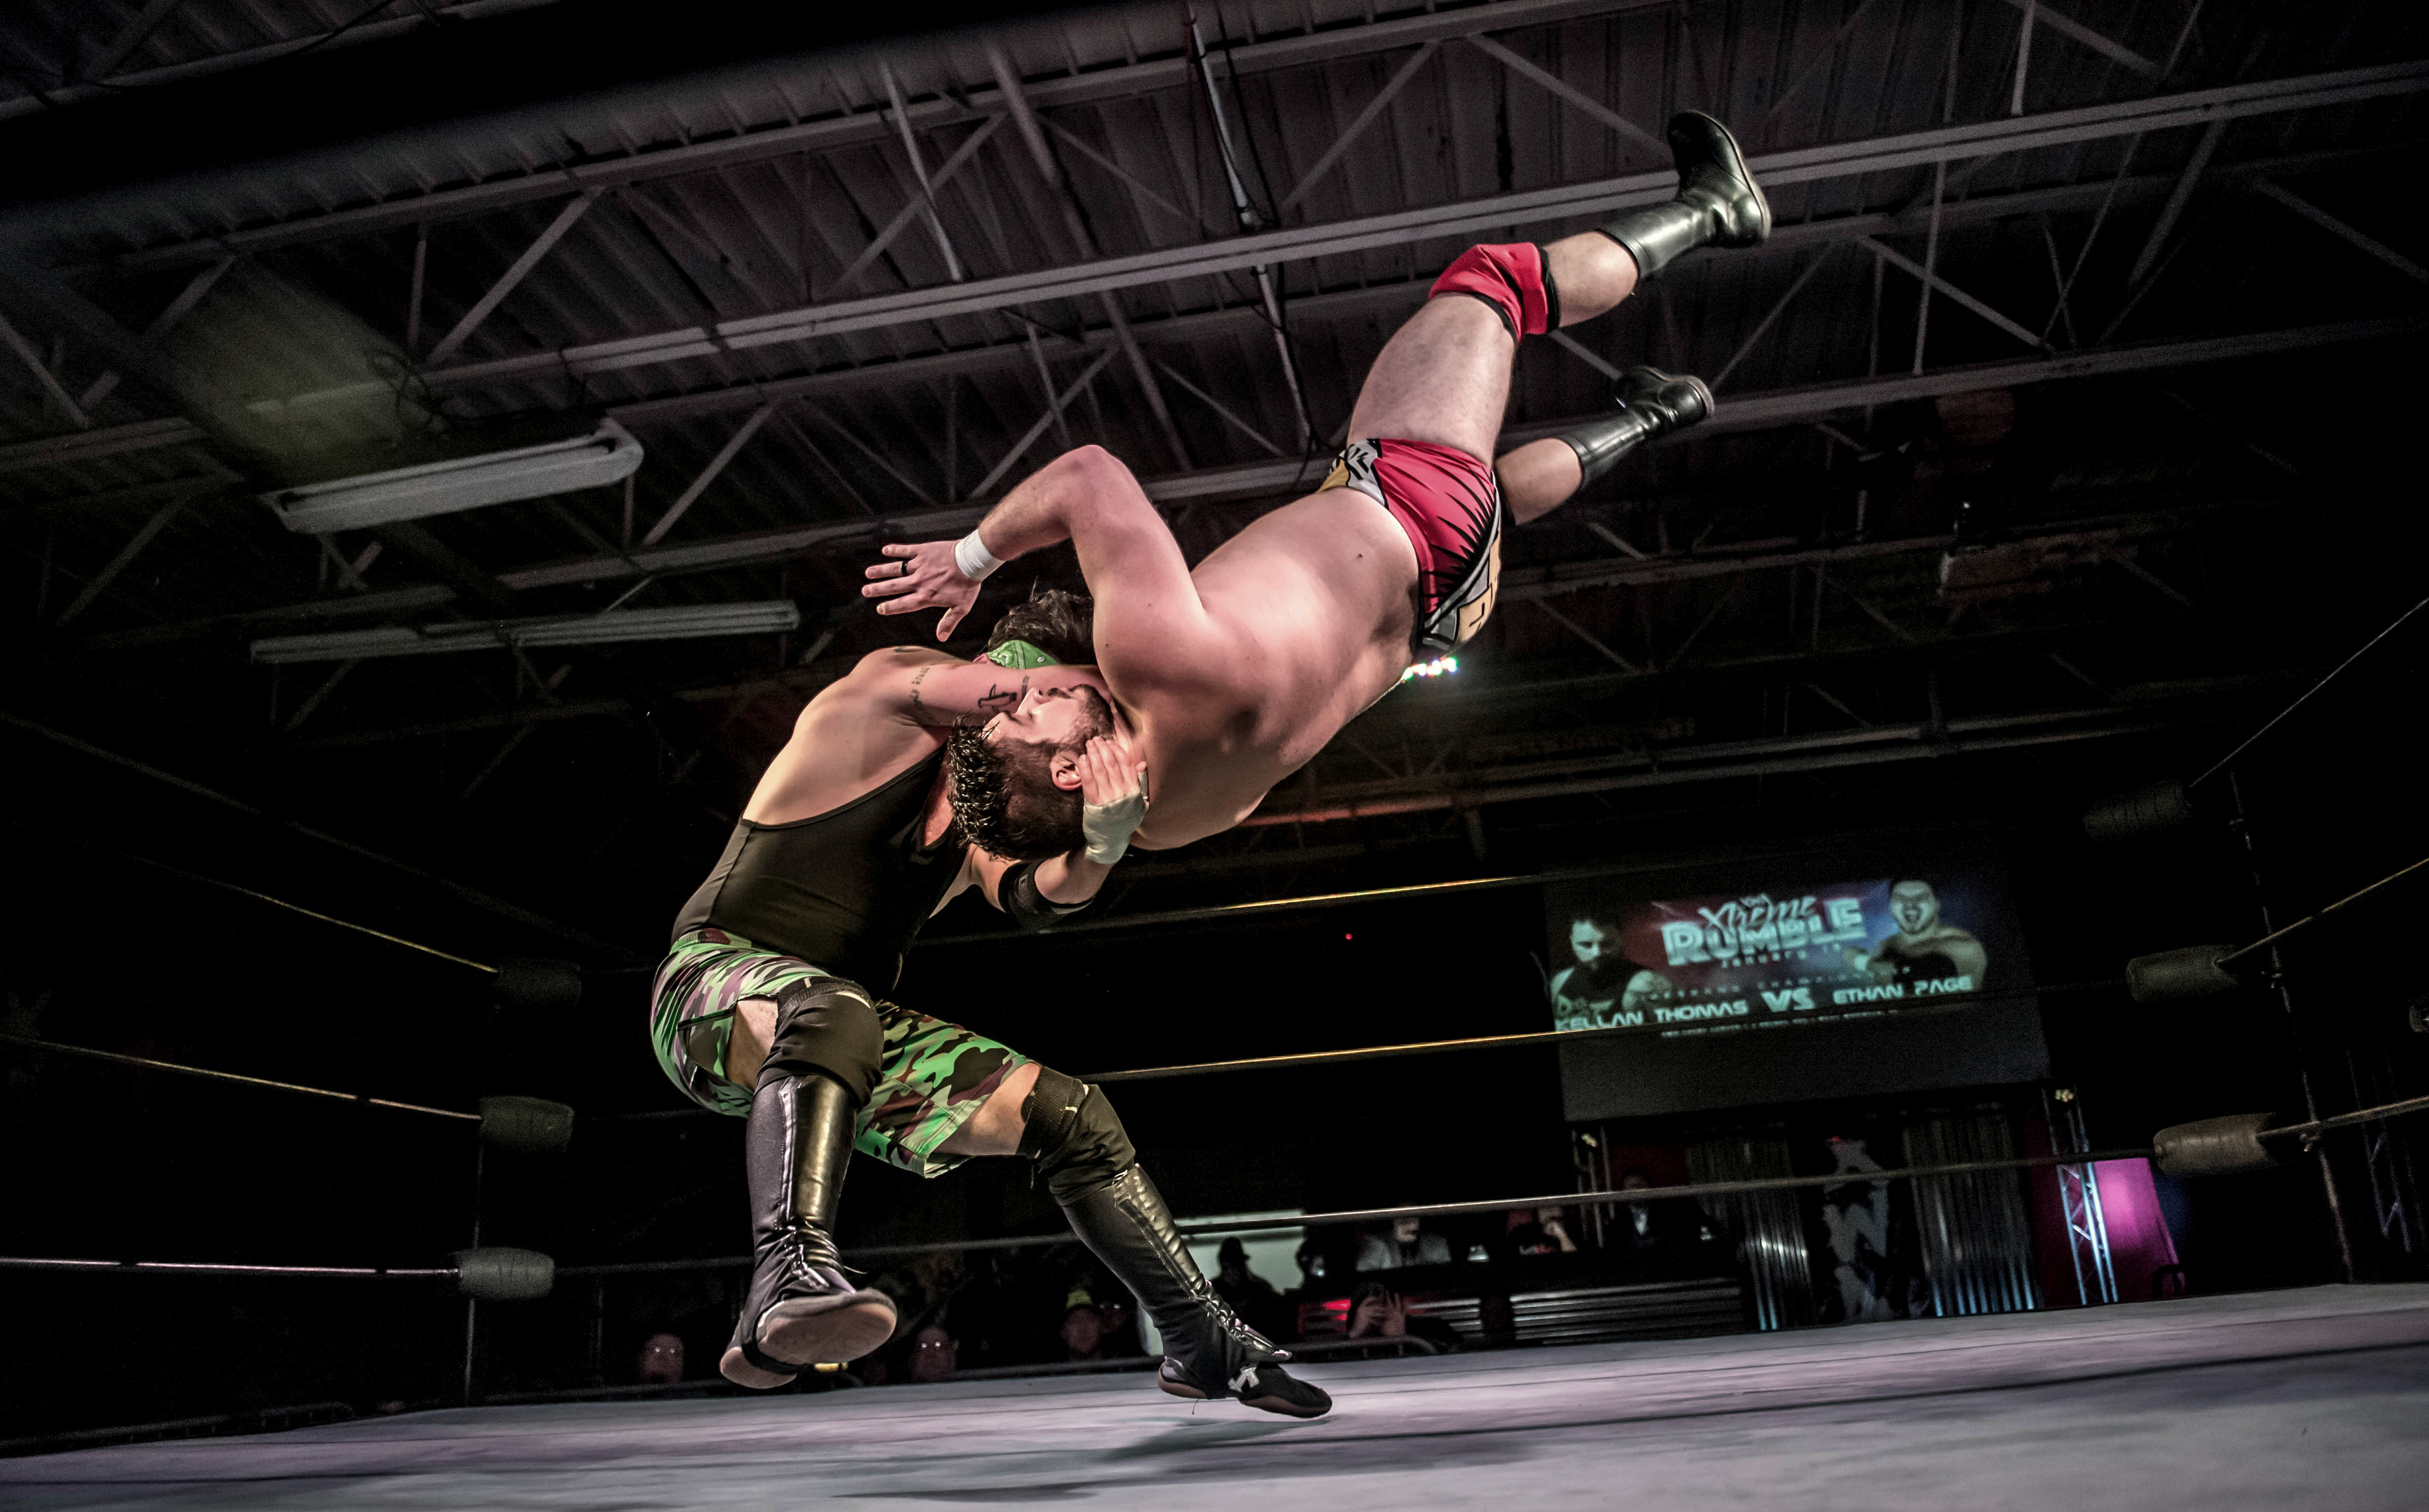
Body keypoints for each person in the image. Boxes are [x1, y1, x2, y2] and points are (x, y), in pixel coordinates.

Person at [864, 114, 1766, 849]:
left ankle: (1654, 416)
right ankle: (1714, 210)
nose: (1034, 692)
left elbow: (1231, 771)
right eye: (1029, 716)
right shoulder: (1148, 659)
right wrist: (973, 556)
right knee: (1492, 288)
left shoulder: (1171, 826)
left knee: (1506, 503)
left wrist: (1105, 830)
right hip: (1406, 504)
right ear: (1070, 770)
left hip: (1440, 612)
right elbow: (1088, 477)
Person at [648, 590, 1329, 1418]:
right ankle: (785, 1274)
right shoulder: (883, 692)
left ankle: (1203, 1340)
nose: (1035, 702)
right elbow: (964, 687)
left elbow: (1039, 897)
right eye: (1042, 689)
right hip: (708, 989)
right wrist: (1143, 664)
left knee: (1076, 1117)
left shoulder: (977, 820)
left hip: (841, 1033)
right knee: (832, 1011)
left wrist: (1106, 842)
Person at [1845, 879, 1988, 985]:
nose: (1910, 905)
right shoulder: (1886, 946)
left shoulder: (1964, 946)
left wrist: (1860, 961)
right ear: (1891, 906)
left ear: (1936, 904)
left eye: (1920, 898)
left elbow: (1913, 973)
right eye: (1901, 898)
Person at [1356, 1214, 1453, 1272]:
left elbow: (1445, 1277)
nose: (1407, 1224)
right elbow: (1364, 1280)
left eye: (1412, 1218)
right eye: (1401, 1219)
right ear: (1393, 1221)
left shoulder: (1438, 1243)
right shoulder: (1375, 1244)